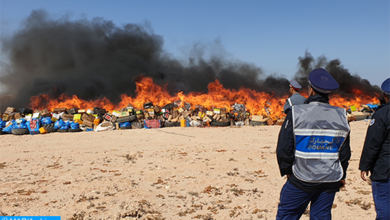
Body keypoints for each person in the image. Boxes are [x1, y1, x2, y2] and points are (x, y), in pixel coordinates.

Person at [276, 68, 351, 220]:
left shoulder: (296, 113)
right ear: (329, 93)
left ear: (310, 90)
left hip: (301, 178)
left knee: (287, 215)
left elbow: (284, 148)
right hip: (330, 179)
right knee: (321, 216)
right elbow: (344, 151)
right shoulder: (342, 115)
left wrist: (287, 171)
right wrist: (342, 173)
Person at [359, 78, 390, 220]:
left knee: (384, 207)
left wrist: (365, 165)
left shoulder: (382, 114)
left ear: (385, 95)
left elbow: (373, 143)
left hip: (385, 170)